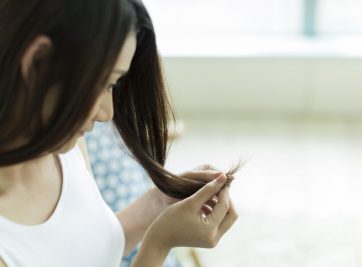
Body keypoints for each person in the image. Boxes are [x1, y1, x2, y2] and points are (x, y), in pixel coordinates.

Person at [0, 0, 238, 266]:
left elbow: (87, 250)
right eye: (101, 84)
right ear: (37, 62)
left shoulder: (63, 146)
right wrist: (159, 243)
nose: (107, 114)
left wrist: (158, 203)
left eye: (113, 84)